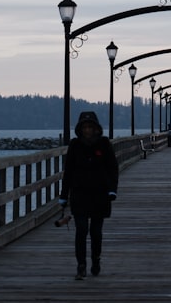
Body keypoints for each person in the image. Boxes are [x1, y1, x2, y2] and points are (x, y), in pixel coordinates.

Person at [59, 111, 119, 280]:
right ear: (80, 129)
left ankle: (96, 259)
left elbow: (112, 168)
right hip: (79, 194)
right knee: (81, 230)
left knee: (96, 232)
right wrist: (64, 196)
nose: (87, 130)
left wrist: (112, 189)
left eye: (90, 127)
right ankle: (81, 265)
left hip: (100, 194)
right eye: (84, 127)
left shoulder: (104, 144)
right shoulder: (75, 145)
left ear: (95, 128)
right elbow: (68, 172)